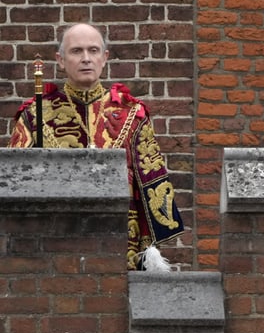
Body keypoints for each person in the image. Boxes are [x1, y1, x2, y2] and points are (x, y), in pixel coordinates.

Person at [8, 23, 185, 270]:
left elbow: (151, 181)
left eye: (93, 50)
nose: (86, 59)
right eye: (76, 51)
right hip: (55, 242)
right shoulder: (34, 115)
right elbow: (15, 187)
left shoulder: (132, 113)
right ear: (60, 60)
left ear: (105, 58)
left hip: (122, 241)